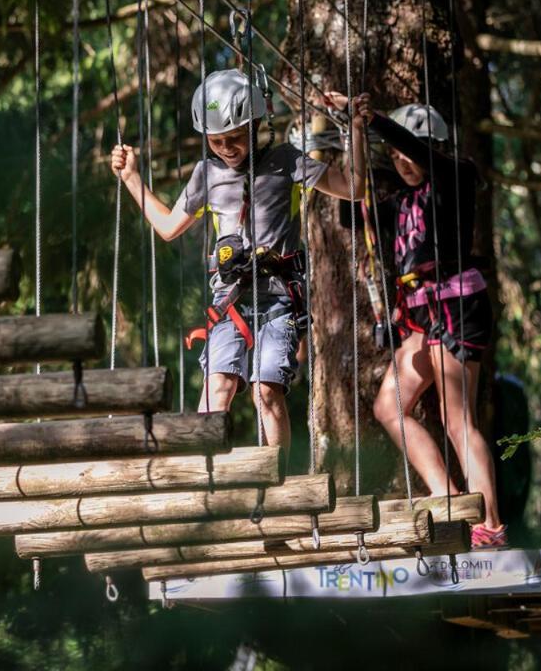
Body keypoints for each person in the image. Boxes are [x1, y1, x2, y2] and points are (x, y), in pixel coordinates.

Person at [109, 69, 368, 449]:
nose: (227, 148)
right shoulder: (206, 175)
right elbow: (168, 227)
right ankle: (209, 480)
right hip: (229, 300)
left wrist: (357, 131)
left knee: (266, 392)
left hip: (279, 300)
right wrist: (132, 179)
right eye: (216, 141)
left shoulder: (287, 161)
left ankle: (278, 486)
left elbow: (354, 188)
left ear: (257, 125)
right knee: (219, 386)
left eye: (235, 138)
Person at [367, 103, 507, 548]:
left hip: (457, 305)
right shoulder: (402, 202)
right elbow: (354, 209)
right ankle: (447, 495)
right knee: (389, 407)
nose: (403, 162)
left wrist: (374, 120)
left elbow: (419, 154)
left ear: (435, 149)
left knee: (456, 417)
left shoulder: (454, 176)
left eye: (411, 154)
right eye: (394, 158)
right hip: (424, 315)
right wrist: (348, 141)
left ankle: (490, 525)